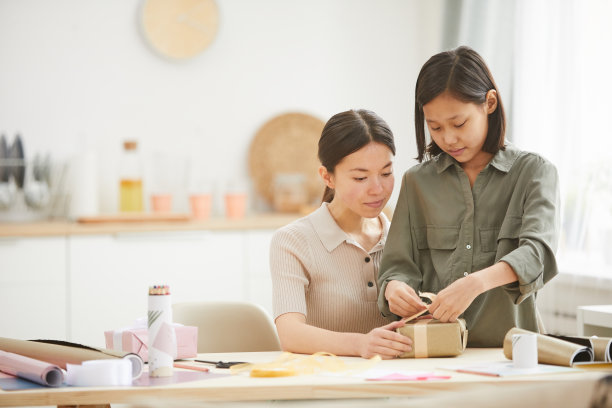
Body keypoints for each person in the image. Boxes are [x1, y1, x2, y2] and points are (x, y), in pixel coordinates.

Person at [377, 46, 560, 347]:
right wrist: (394, 288)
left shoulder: (534, 173)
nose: (448, 138)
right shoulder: (417, 182)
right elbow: (397, 266)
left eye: (459, 124)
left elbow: (537, 253)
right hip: (433, 352)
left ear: (489, 103)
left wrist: (476, 283)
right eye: (434, 127)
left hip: (512, 353)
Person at [270, 109, 413, 359]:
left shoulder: (403, 236)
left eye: (386, 173)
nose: (377, 189)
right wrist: (360, 345)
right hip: (325, 386)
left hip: (396, 382)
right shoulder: (292, 241)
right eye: (360, 177)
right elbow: (290, 334)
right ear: (328, 177)